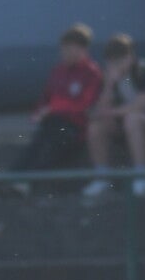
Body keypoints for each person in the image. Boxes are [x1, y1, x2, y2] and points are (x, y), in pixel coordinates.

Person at [83, 34, 145, 198]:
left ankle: (141, 175)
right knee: (96, 127)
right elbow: (99, 110)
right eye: (112, 61)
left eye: (120, 60)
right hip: (124, 120)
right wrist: (109, 85)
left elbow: (141, 104)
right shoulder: (107, 76)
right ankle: (102, 177)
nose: (116, 65)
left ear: (130, 57)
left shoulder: (143, 70)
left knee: (133, 119)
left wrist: (110, 113)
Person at [10, 23, 102, 180]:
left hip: (76, 128)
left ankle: (25, 180)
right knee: (38, 143)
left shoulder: (91, 73)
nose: (63, 53)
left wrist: (53, 108)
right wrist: (38, 113)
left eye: (68, 49)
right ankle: (12, 178)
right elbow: (46, 98)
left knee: (51, 143)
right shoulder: (59, 71)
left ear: (81, 49)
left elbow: (84, 105)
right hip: (53, 124)